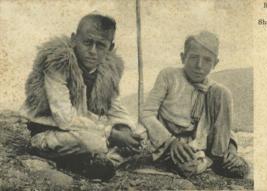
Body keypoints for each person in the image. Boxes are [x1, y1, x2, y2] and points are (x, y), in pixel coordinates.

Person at [20, 13, 142, 180]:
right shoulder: (58, 64)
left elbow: (115, 108)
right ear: (74, 39)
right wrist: (111, 134)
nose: (92, 51)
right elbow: (65, 119)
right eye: (87, 43)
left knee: (139, 133)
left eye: (100, 45)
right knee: (93, 141)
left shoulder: (107, 72)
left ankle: (101, 163)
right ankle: (89, 161)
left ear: (110, 48)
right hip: (51, 133)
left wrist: (126, 130)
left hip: (85, 132)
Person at [141, 31, 249, 178]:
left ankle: (220, 157)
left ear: (215, 63)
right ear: (182, 57)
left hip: (199, 144)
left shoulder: (214, 92)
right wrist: (170, 142)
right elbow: (147, 113)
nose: (199, 65)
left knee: (223, 92)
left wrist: (231, 148)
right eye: (193, 58)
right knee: (188, 167)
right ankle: (209, 162)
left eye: (207, 60)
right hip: (169, 143)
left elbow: (223, 125)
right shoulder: (169, 76)